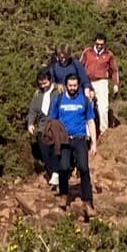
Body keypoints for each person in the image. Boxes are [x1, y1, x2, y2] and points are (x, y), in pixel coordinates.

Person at [51, 72, 99, 215]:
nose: (72, 88)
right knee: (64, 167)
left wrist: (94, 144)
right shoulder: (58, 100)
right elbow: (52, 121)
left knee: (84, 169)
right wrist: (54, 140)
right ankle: (63, 195)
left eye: (75, 85)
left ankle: (88, 202)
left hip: (79, 138)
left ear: (78, 85)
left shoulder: (84, 101)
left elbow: (90, 122)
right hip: (64, 139)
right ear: (66, 85)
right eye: (70, 85)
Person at [80, 33, 119, 134]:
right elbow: (80, 66)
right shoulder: (87, 52)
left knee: (103, 107)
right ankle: (87, 134)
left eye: (101, 44)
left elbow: (114, 70)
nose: (99, 46)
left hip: (102, 82)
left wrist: (115, 84)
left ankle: (104, 131)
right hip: (88, 82)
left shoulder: (109, 55)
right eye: (97, 43)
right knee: (87, 106)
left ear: (105, 44)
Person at [26, 69, 59, 181]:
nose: (43, 85)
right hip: (42, 127)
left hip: (55, 126)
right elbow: (33, 110)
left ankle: (57, 174)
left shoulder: (58, 91)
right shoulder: (37, 94)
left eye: (45, 83)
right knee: (45, 153)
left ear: (50, 80)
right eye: (41, 83)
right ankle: (52, 173)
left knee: (55, 151)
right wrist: (30, 123)